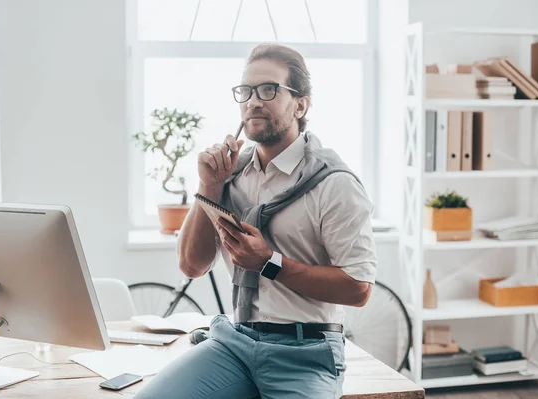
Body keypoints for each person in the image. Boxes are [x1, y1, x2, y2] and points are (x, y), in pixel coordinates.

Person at [134, 43, 377, 399]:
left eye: (268, 89)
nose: (253, 101)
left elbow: (358, 288)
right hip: (235, 344)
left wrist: (269, 264)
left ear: (300, 104)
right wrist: (209, 186)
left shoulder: (334, 183)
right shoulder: (230, 176)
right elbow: (191, 264)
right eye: (245, 91)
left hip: (306, 353)